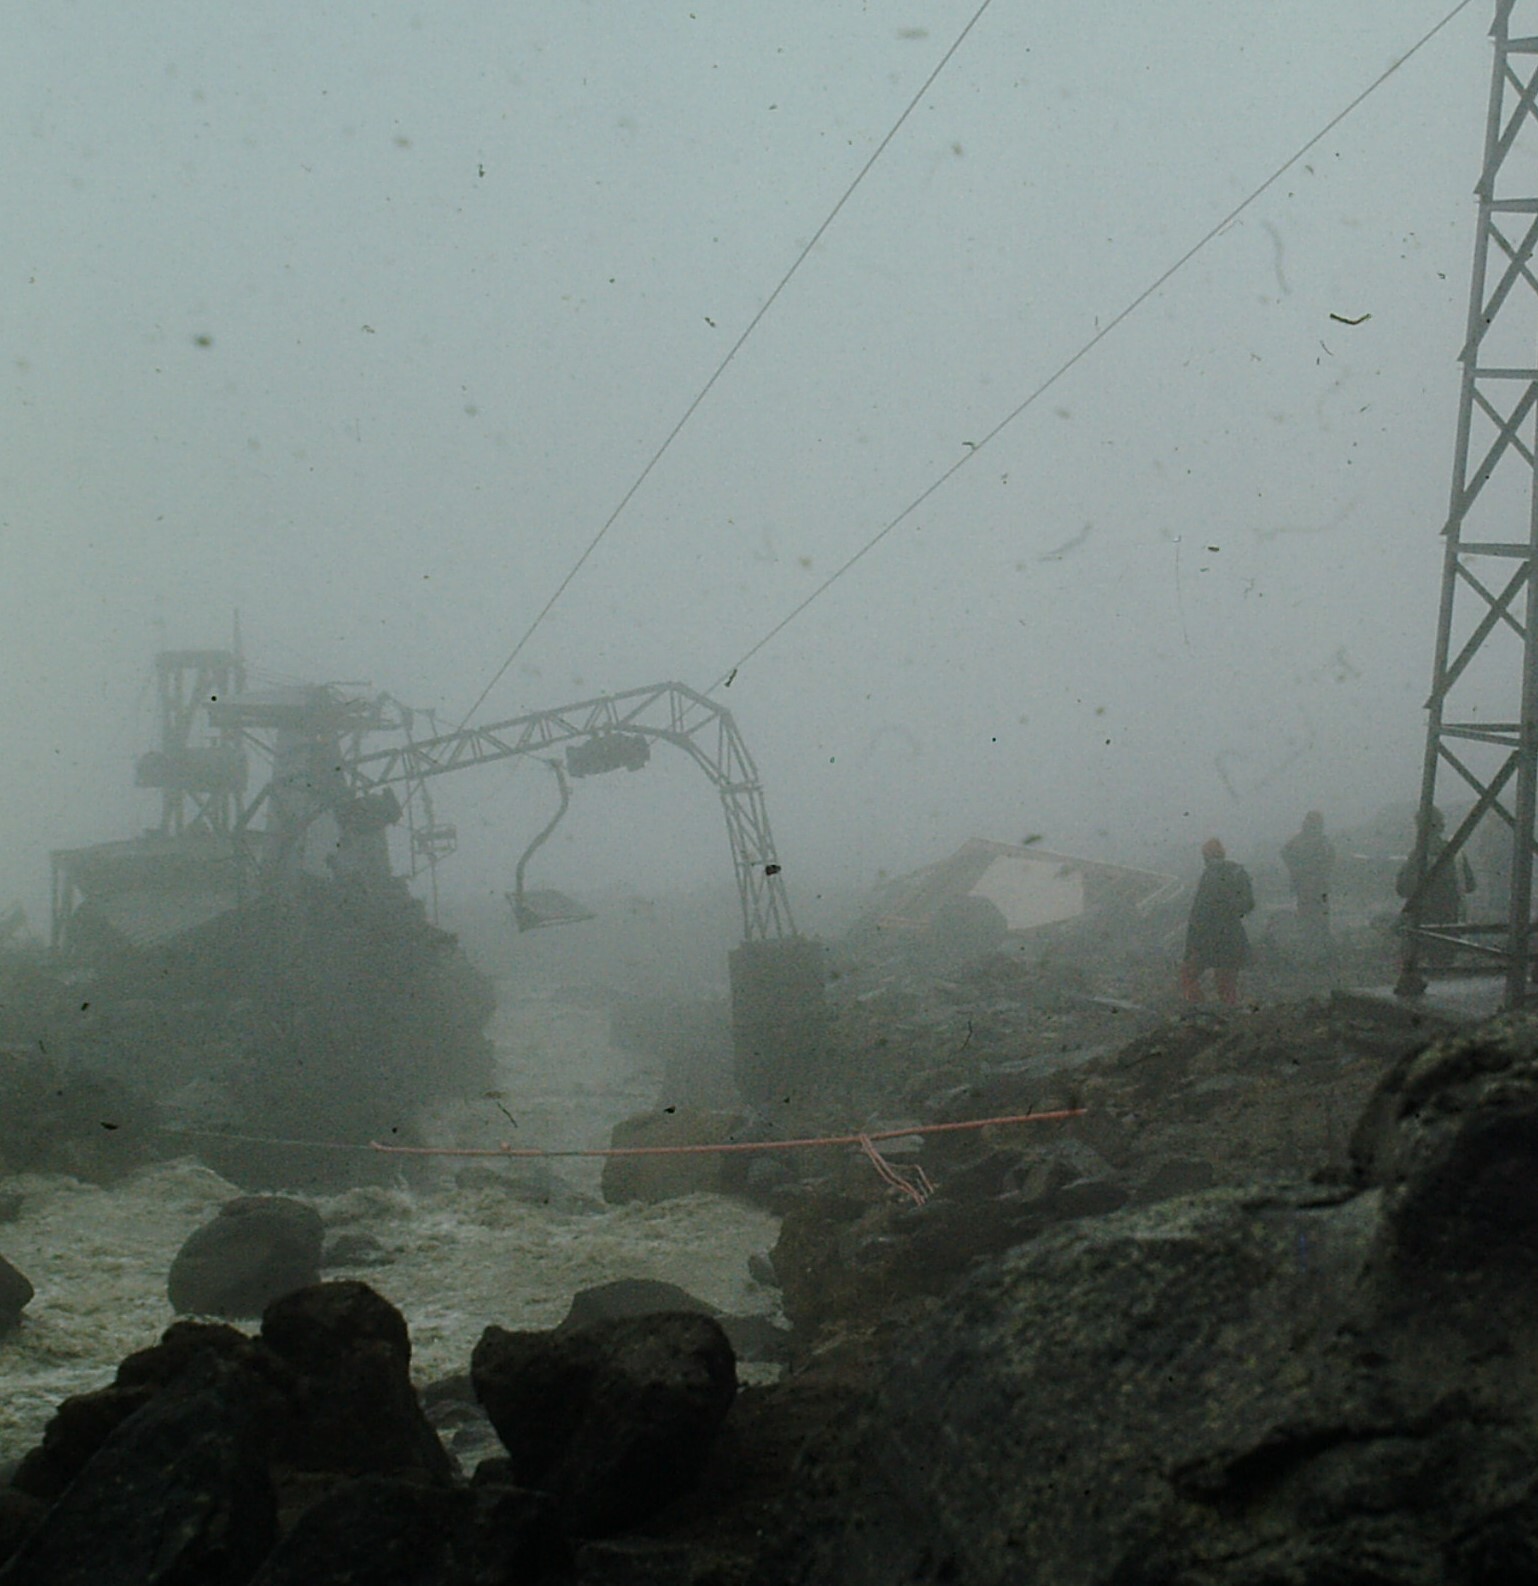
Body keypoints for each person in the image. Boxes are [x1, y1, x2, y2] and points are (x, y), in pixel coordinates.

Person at [1180, 837, 1255, 1006]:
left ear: (1205, 857)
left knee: (1187, 976)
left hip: (1209, 938)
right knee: (1227, 986)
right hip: (1232, 936)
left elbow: (1199, 913)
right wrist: (1230, 912)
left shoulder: (1210, 875)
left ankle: (1199, 1011)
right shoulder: (1237, 872)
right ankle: (1229, 1020)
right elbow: (1248, 904)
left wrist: (1190, 948)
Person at [1396, 806, 1475, 966]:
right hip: (1452, 917)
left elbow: (1403, 889)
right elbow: (1470, 885)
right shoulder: (1457, 853)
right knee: (1444, 965)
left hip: (1424, 919)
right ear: (1441, 825)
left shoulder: (1418, 855)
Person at [1281, 810, 1336, 957]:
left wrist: (1296, 869)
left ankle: (1311, 947)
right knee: (1319, 916)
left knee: (1308, 915)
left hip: (1306, 885)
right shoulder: (1320, 841)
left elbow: (1285, 852)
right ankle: (1319, 948)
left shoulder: (1300, 840)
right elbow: (1331, 857)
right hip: (1316, 885)